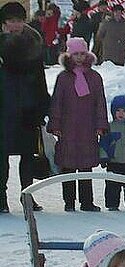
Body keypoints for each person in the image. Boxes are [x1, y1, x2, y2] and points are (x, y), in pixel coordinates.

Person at [0, 1, 50, 214]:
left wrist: (42, 106)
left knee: (28, 156)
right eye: (11, 21)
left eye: (19, 20)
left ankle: (27, 195)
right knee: (1, 156)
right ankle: (1, 197)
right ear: (3, 23)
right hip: (3, 109)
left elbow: (40, 78)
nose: (15, 25)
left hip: (27, 108)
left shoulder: (33, 44)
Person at [48, 36, 108, 212]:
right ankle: (69, 201)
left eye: (82, 53)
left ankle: (87, 201)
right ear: (69, 55)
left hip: (87, 128)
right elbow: (57, 102)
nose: (80, 57)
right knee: (67, 166)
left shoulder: (95, 77)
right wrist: (55, 125)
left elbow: (100, 102)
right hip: (67, 128)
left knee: (85, 166)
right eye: (76, 54)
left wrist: (101, 124)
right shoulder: (63, 78)